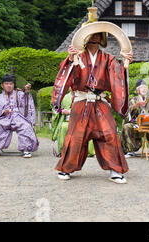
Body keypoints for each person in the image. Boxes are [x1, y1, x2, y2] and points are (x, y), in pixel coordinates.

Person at [52, 31, 133, 184]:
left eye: (99, 34)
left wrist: (125, 63)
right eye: (92, 34)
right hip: (81, 101)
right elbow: (67, 74)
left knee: (109, 134)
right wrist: (70, 59)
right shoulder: (78, 56)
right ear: (85, 37)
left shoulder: (108, 59)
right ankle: (66, 168)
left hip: (100, 102)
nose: (95, 37)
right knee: (76, 136)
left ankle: (115, 170)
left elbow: (117, 75)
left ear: (102, 38)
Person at [0, 74, 39, 158]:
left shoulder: (19, 94)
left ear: (13, 85)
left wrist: (27, 91)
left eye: (11, 84)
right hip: (3, 119)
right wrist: (3, 112)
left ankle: (26, 149)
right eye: (6, 84)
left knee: (26, 126)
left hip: (18, 117)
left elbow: (27, 103)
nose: (9, 86)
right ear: (2, 85)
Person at [51, 91, 95, 157]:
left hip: (81, 121)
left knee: (87, 128)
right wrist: (61, 111)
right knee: (63, 127)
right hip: (67, 121)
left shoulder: (86, 97)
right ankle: (64, 151)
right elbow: (55, 108)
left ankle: (87, 152)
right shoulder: (64, 97)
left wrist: (70, 112)